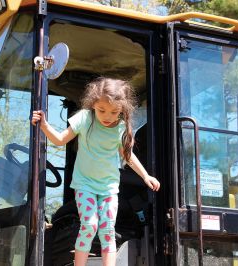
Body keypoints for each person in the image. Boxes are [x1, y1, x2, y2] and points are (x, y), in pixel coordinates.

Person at [31, 77, 160, 266]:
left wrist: (146, 176)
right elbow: (59, 140)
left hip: (108, 187)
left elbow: (128, 156)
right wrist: (44, 125)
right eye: (102, 110)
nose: (107, 116)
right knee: (90, 225)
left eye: (114, 112)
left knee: (107, 229)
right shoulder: (85, 118)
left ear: (122, 110)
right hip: (85, 185)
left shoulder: (121, 128)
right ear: (93, 105)